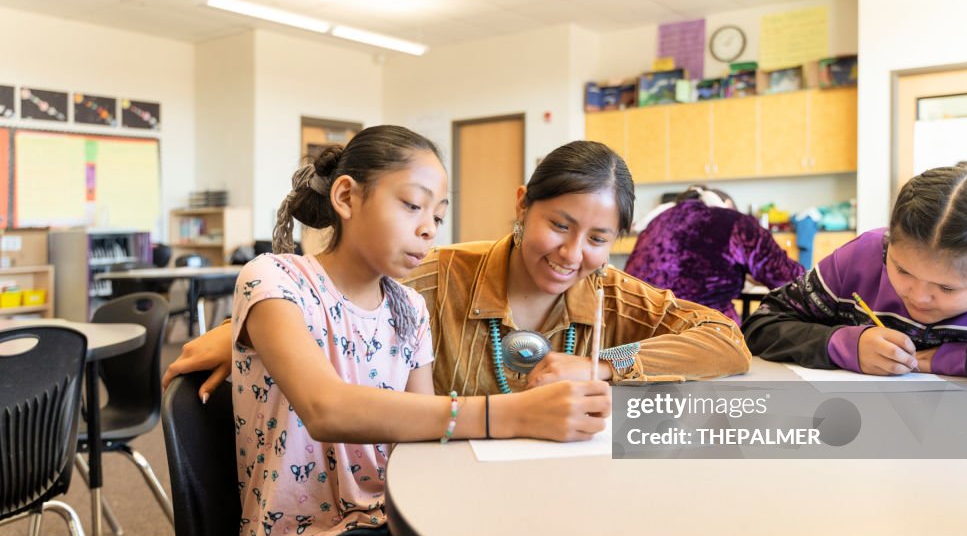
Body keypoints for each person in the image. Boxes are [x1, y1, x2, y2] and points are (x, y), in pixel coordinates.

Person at [223, 126, 611, 536]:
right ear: (346, 197)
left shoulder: (408, 307)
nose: (429, 228)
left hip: (400, 522)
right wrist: (507, 414)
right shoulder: (274, 279)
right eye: (413, 206)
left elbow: (424, 435)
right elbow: (327, 408)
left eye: (438, 215)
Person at [163, 141, 751, 401]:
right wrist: (241, 332)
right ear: (522, 205)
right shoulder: (439, 273)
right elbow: (325, 293)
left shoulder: (608, 293)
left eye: (599, 238)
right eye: (560, 225)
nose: (572, 253)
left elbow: (726, 342)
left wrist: (602, 365)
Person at [743, 164, 967, 381]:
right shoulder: (861, 256)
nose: (919, 297)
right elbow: (761, 325)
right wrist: (844, 345)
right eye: (902, 270)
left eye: (947, 288)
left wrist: (955, 358)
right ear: (888, 241)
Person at [624, 185, 805, 323]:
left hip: (640, 332)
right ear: (727, 206)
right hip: (706, 333)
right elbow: (792, 279)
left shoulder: (656, 223)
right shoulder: (736, 222)